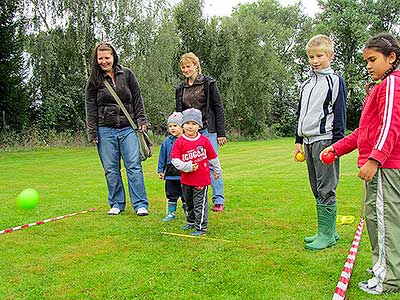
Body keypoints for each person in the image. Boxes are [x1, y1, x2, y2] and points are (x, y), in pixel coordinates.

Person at [324, 32, 400, 295]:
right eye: (366, 60)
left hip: (386, 167)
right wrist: (336, 149)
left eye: (373, 59)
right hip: (380, 165)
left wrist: (374, 160)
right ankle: (383, 265)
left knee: (383, 219)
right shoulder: (380, 87)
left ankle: (388, 278)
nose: (368, 65)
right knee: (374, 217)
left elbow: (391, 126)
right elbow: (363, 132)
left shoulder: (391, 85)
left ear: (391, 58)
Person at [294, 34, 347, 250]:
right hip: (307, 142)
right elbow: (300, 113)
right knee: (316, 187)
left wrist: (336, 145)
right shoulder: (306, 84)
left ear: (330, 56)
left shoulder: (335, 81)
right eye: (311, 57)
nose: (315, 61)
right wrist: (298, 140)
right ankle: (328, 232)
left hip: (325, 141)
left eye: (319, 56)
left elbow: (340, 113)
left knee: (326, 188)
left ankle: (326, 234)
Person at [85, 42, 149, 216]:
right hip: (104, 129)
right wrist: (92, 131)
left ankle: (140, 204)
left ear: (113, 57)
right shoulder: (94, 81)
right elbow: (90, 107)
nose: (104, 61)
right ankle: (116, 203)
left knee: (133, 166)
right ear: (96, 60)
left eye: (107, 57)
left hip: (128, 127)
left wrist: (142, 119)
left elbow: (137, 98)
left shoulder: (127, 74)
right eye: (101, 58)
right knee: (111, 169)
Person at [175, 52, 227, 212]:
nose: (185, 69)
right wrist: (178, 131)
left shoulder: (208, 83)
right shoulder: (180, 88)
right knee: (190, 164)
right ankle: (192, 199)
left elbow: (218, 108)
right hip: (188, 132)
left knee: (211, 163)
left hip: (207, 129)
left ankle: (218, 199)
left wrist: (221, 133)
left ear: (196, 66)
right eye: (183, 67)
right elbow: (179, 112)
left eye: (188, 66)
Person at [171, 108, 222, 236]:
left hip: (201, 180)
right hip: (186, 180)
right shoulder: (180, 142)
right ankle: (191, 221)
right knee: (189, 203)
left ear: (199, 126)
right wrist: (186, 166)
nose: (190, 126)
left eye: (194, 124)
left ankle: (200, 228)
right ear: (183, 125)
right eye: (187, 123)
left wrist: (217, 170)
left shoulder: (204, 141)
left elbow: (212, 157)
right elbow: (174, 160)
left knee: (200, 204)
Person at [157, 112, 187, 222]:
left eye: (175, 126)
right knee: (171, 194)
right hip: (170, 174)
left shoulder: (186, 140)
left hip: (184, 174)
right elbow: (162, 157)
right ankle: (171, 213)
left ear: (182, 126)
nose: (172, 128)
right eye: (170, 126)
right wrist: (160, 170)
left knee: (185, 195)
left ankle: (188, 212)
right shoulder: (166, 142)